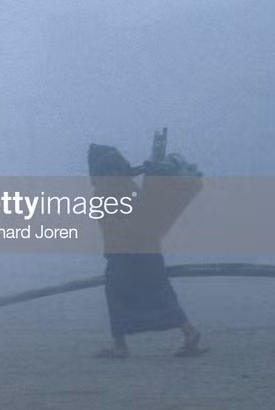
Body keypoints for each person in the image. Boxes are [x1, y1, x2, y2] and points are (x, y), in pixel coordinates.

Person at [88, 143, 206, 358]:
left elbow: (115, 225)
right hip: (147, 250)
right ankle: (189, 331)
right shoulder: (128, 185)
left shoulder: (106, 190)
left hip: (123, 255)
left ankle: (120, 345)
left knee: (117, 296)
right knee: (160, 293)